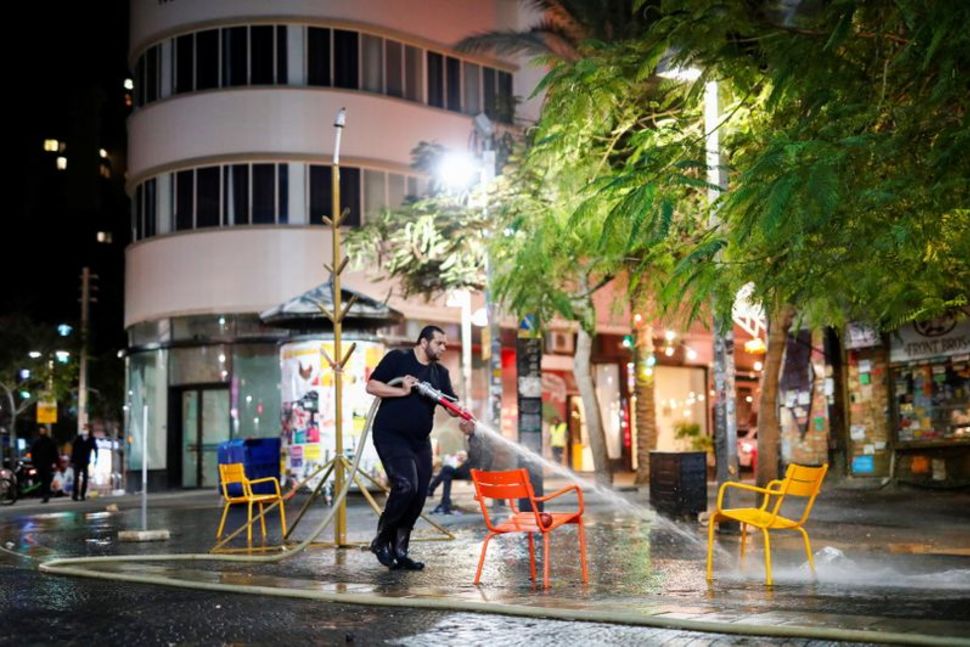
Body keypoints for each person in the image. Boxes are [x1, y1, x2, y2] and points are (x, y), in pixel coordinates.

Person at [365, 325, 474, 570]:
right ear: (423, 342)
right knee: (405, 486)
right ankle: (382, 540)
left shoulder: (440, 373)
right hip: (390, 435)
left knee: (418, 495)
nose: (444, 348)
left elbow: (449, 404)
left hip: (419, 441)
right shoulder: (398, 359)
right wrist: (401, 390)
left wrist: (463, 416)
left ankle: (401, 551)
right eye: (439, 343)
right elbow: (372, 386)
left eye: (445, 344)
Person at [428, 427, 490, 514]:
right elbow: (475, 457)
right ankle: (444, 502)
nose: (463, 429)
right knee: (447, 474)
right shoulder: (475, 439)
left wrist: (467, 458)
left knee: (446, 470)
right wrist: (465, 457)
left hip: (471, 472)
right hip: (469, 470)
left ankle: (432, 491)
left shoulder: (476, 438)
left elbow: (477, 457)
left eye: (464, 427)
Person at [30, 427, 59, 503]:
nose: (42, 432)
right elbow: (33, 453)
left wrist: (56, 463)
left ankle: (46, 495)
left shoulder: (50, 441)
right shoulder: (37, 442)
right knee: (42, 480)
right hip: (39, 464)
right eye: (41, 431)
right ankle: (44, 494)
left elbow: (55, 453)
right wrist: (34, 464)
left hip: (47, 464)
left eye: (43, 431)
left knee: (47, 480)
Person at [70, 427, 97, 501]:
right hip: (77, 461)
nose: (85, 431)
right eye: (84, 429)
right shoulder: (78, 438)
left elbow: (95, 449)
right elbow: (74, 449)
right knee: (76, 478)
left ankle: (82, 494)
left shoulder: (91, 439)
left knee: (85, 478)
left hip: (85, 461)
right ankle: (75, 494)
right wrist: (72, 460)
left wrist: (95, 460)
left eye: (86, 429)